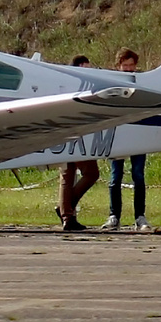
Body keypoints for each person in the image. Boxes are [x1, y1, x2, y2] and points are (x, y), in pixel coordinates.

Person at [106, 47, 149, 231]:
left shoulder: (143, 83)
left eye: (132, 65)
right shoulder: (111, 84)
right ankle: (114, 215)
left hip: (138, 135)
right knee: (115, 177)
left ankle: (140, 216)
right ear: (119, 66)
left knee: (138, 176)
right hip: (118, 135)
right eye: (125, 66)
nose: (129, 69)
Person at [57, 54, 100, 230]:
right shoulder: (82, 86)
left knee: (67, 176)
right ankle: (65, 209)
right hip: (78, 134)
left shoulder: (63, 84)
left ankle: (66, 215)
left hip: (62, 131)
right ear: (80, 66)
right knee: (91, 173)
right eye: (87, 67)